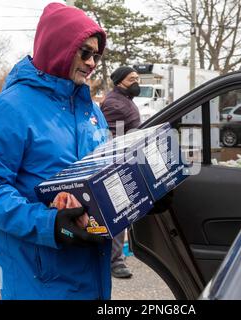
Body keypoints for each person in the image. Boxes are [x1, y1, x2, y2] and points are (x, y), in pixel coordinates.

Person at [0, 3, 112, 300]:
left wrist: (141, 196)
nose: (92, 62)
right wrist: (50, 224)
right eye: (85, 52)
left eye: (97, 55)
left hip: (93, 275)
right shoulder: (9, 109)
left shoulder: (92, 112)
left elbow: (101, 176)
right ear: (60, 48)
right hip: (42, 282)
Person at [100, 66, 141, 279]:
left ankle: (115, 259)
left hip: (125, 161)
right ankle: (114, 262)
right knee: (118, 212)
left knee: (123, 211)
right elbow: (110, 137)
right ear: (119, 81)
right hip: (116, 164)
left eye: (137, 78)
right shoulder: (114, 103)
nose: (137, 82)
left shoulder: (125, 99)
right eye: (132, 78)